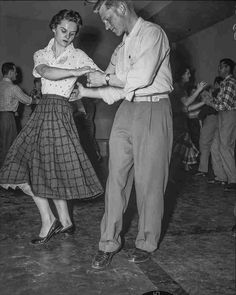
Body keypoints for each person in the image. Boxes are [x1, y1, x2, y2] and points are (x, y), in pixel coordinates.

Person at [70, 0, 173, 269]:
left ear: (122, 8)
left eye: (108, 18)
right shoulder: (120, 47)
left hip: (153, 107)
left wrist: (104, 79)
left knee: (149, 180)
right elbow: (115, 89)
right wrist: (86, 92)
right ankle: (108, 242)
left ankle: (146, 242)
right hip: (127, 110)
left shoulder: (153, 33)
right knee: (115, 178)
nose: (106, 25)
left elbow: (141, 77)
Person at [0, 9, 103, 245]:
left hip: (61, 113)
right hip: (43, 111)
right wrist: (75, 72)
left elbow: (100, 76)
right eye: (63, 30)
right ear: (53, 28)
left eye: (72, 33)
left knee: (51, 167)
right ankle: (57, 220)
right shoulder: (42, 54)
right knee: (20, 164)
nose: (67, 36)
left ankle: (56, 221)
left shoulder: (79, 55)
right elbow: (46, 72)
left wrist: (89, 87)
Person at [202, 58, 236, 191]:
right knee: (215, 146)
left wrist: (210, 102)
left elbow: (224, 105)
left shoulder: (230, 83)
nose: (218, 69)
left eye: (221, 67)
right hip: (222, 116)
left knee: (226, 147)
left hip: (228, 115)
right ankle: (221, 176)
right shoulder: (225, 84)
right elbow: (219, 103)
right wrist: (210, 99)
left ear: (227, 68)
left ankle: (233, 179)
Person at [169, 66, 206, 177]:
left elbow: (186, 108)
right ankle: (169, 178)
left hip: (180, 125)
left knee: (177, 154)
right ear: (181, 75)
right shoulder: (176, 87)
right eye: (187, 73)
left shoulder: (181, 88)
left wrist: (203, 103)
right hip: (176, 125)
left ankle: (171, 177)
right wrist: (199, 90)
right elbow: (186, 103)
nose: (189, 75)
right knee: (175, 154)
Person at [0, 62, 33, 167]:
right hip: (7, 118)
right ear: (10, 73)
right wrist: (37, 100)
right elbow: (27, 100)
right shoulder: (13, 87)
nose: (16, 74)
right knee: (9, 145)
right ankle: (6, 174)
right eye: (15, 71)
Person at [195, 77, 223, 177]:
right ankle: (219, 174)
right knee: (214, 147)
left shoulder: (214, 94)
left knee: (204, 144)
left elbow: (206, 108)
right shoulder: (217, 93)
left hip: (210, 119)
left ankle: (203, 170)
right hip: (218, 119)